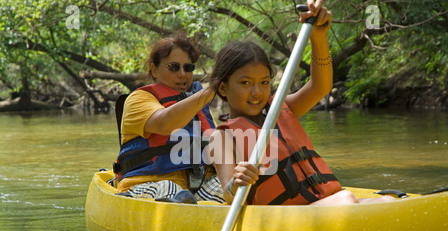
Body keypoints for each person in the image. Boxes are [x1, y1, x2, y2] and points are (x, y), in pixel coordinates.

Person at [207, 1, 395, 205]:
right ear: (223, 88)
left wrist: (319, 37)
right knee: (347, 199)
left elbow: (319, 88)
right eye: (245, 83)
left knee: (387, 201)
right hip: (288, 217)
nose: (257, 92)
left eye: (264, 82)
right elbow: (227, 193)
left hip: (324, 204)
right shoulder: (221, 137)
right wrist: (236, 183)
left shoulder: (278, 108)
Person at [114, 32, 225, 204]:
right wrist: (212, 89)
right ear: (154, 70)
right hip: (149, 181)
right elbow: (164, 124)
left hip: (200, 185)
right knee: (170, 189)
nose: (183, 74)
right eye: (174, 67)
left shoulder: (200, 104)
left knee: (235, 190)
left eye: (188, 68)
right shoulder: (138, 100)